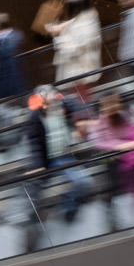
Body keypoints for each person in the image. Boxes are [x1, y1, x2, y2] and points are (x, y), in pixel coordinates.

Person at [25, 85, 89, 226]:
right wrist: (38, 166)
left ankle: (67, 206)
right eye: (44, 104)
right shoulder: (34, 118)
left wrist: (82, 120)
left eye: (49, 102)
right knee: (32, 188)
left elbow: (75, 105)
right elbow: (35, 145)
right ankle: (33, 221)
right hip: (45, 161)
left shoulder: (61, 104)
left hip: (63, 157)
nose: (48, 107)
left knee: (83, 182)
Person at [89, 92, 134, 223]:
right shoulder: (98, 122)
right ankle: (111, 207)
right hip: (106, 154)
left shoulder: (125, 115)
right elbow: (100, 143)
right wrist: (122, 145)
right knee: (110, 170)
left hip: (124, 152)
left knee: (128, 169)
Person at [47, 0, 102, 91]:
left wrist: (58, 37)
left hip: (80, 74)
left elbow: (75, 49)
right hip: (78, 74)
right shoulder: (85, 21)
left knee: (81, 103)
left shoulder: (85, 25)